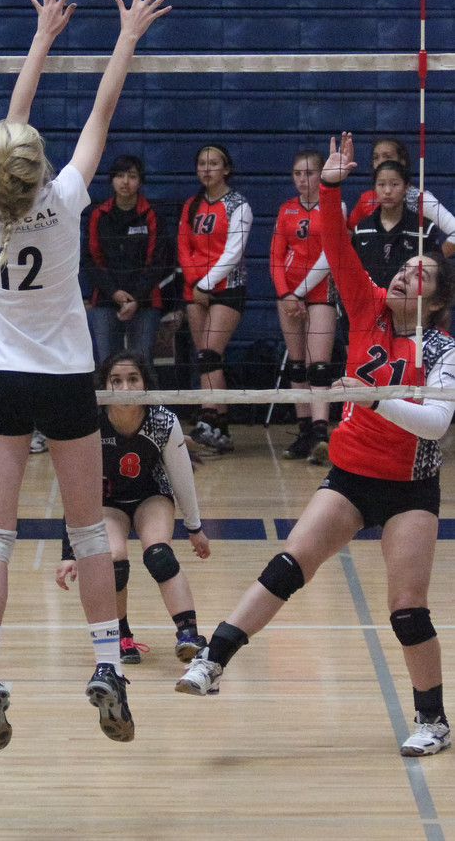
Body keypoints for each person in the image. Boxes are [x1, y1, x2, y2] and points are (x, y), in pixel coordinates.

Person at [177, 132, 455, 759]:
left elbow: (436, 424)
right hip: (352, 474)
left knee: (407, 609)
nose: (406, 272)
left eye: (421, 274)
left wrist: (375, 399)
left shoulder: (442, 350)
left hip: (409, 487)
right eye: (405, 267)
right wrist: (330, 187)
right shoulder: (368, 308)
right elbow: (336, 244)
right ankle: (212, 660)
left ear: (437, 301)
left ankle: (432, 720)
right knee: (289, 564)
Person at [0, 0, 171, 754]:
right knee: (87, 530)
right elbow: (99, 114)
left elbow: (13, 119)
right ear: (35, 165)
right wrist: (125, 37)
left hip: (4, 380)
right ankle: (107, 665)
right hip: (66, 381)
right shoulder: (66, 200)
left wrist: (40, 37)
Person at [56, 350, 210, 664]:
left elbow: (182, 479)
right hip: (107, 502)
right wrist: (68, 552)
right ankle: (121, 635)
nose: (125, 388)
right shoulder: (90, 422)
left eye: (133, 379)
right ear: (104, 386)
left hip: (151, 496)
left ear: (145, 383)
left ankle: (189, 635)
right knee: (113, 560)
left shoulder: (163, 421)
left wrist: (195, 528)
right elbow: (75, 489)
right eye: (116, 380)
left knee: (159, 555)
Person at [177, 143, 252, 452]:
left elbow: (233, 252)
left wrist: (207, 284)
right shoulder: (191, 205)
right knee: (206, 358)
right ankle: (221, 431)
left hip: (226, 288)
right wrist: (195, 282)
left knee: (209, 354)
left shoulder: (238, 205)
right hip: (195, 288)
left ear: (226, 169)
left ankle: (207, 420)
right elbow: (183, 245)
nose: (206, 169)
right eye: (202, 163)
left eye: (213, 163)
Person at [270, 150, 342, 464]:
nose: (303, 179)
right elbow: (275, 257)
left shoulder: (334, 206)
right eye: (297, 174)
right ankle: (304, 432)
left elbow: (330, 255)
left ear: (321, 175)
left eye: (310, 173)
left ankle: (320, 432)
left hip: (321, 292)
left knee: (319, 366)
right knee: (297, 365)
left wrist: (298, 293)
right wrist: (285, 294)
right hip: (289, 295)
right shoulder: (286, 209)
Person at [81, 155, 168, 365]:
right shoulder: (98, 215)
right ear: (111, 180)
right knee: (107, 364)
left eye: (132, 176)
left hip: (145, 302)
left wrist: (135, 298)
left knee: (142, 364)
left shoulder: (152, 214)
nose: (125, 182)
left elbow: (158, 262)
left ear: (140, 180)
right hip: (105, 299)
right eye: (120, 175)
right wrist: (114, 293)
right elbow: (90, 259)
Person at [347, 137, 455, 258]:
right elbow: (349, 233)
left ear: (402, 161)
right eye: (376, 157)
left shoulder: (419, 199)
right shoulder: (366, 198)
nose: (380, 162)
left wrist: (433, 260)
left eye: (387, 156)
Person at [351, 159, 439, 289]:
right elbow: (352, 273)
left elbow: (436, 274)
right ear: (374, 188)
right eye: (381, 184)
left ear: (406, 187)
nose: (387, 191)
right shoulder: (362, 229)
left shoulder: (424, 229)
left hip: (410, 300)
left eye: (394, 184)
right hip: (370, 299)